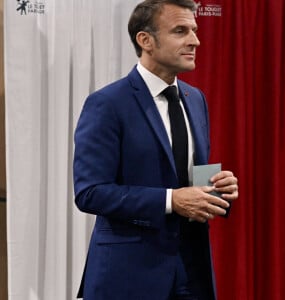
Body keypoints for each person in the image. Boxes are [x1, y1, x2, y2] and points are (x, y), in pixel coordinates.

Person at [73, 0, 238, 299]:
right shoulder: (107, 103)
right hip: (129, 276)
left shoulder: (195, 99)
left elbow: (188, 180)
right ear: (145, 40)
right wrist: (171, 200)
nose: (195, 40)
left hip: (193, 273)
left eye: (195, 30)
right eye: (180, 30)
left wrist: (215, 190)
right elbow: (90, 192)